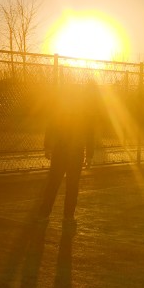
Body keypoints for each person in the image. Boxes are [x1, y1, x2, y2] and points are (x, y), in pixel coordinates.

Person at [34, 80, 96, 231]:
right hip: (71, 152)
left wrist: (48, 146)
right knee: (68, 185)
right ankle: (66, 217)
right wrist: (89, 155)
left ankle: (48, 215)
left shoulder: (63, 110)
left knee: (55, 184)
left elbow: (51, 127)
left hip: (64, 151)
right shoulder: (81, 112)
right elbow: (90, 134)